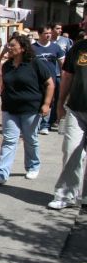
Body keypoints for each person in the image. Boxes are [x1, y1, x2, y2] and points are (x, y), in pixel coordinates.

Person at [0, 34, 54, 185]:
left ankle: (33, 166)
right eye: (8, 45)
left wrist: (46, 104)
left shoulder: (35, 63)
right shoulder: (7, 66)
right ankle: (1, 173)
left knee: (30, 139)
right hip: (10, 109)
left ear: (23, 48)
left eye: (13, 45)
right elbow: (3, 85)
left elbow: (50, 84)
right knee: (9, 140)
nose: (9, 48)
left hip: (31, 109)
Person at [49, 14, 87, 209]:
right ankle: (65, 194)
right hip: (76, 109)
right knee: (70, 150)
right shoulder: (78, 49)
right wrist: (60, 103)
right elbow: (67, 76)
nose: (83, 24)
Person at [33, 25, 65, 134]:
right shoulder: (33, 48)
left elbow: (62, 64)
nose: (48, 35)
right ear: (39, 34)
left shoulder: (55, 48)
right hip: (36, 80)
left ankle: (45, 125)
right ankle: (35, 123)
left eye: (50, 33)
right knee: (36, 100)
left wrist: (63, 76)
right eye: (46, 33)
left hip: (51, 79)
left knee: (49, 101)